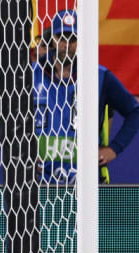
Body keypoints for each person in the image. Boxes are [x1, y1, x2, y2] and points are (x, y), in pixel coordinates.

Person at [33, 9, 139, 184]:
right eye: (61, 38)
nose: (66, 45)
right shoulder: (30, 75)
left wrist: (114, 149)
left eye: (72, 39)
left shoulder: (99, 76)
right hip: (38, 185)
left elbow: (134, 112)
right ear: (52, 38)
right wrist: (18, 153)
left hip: (85, 186)